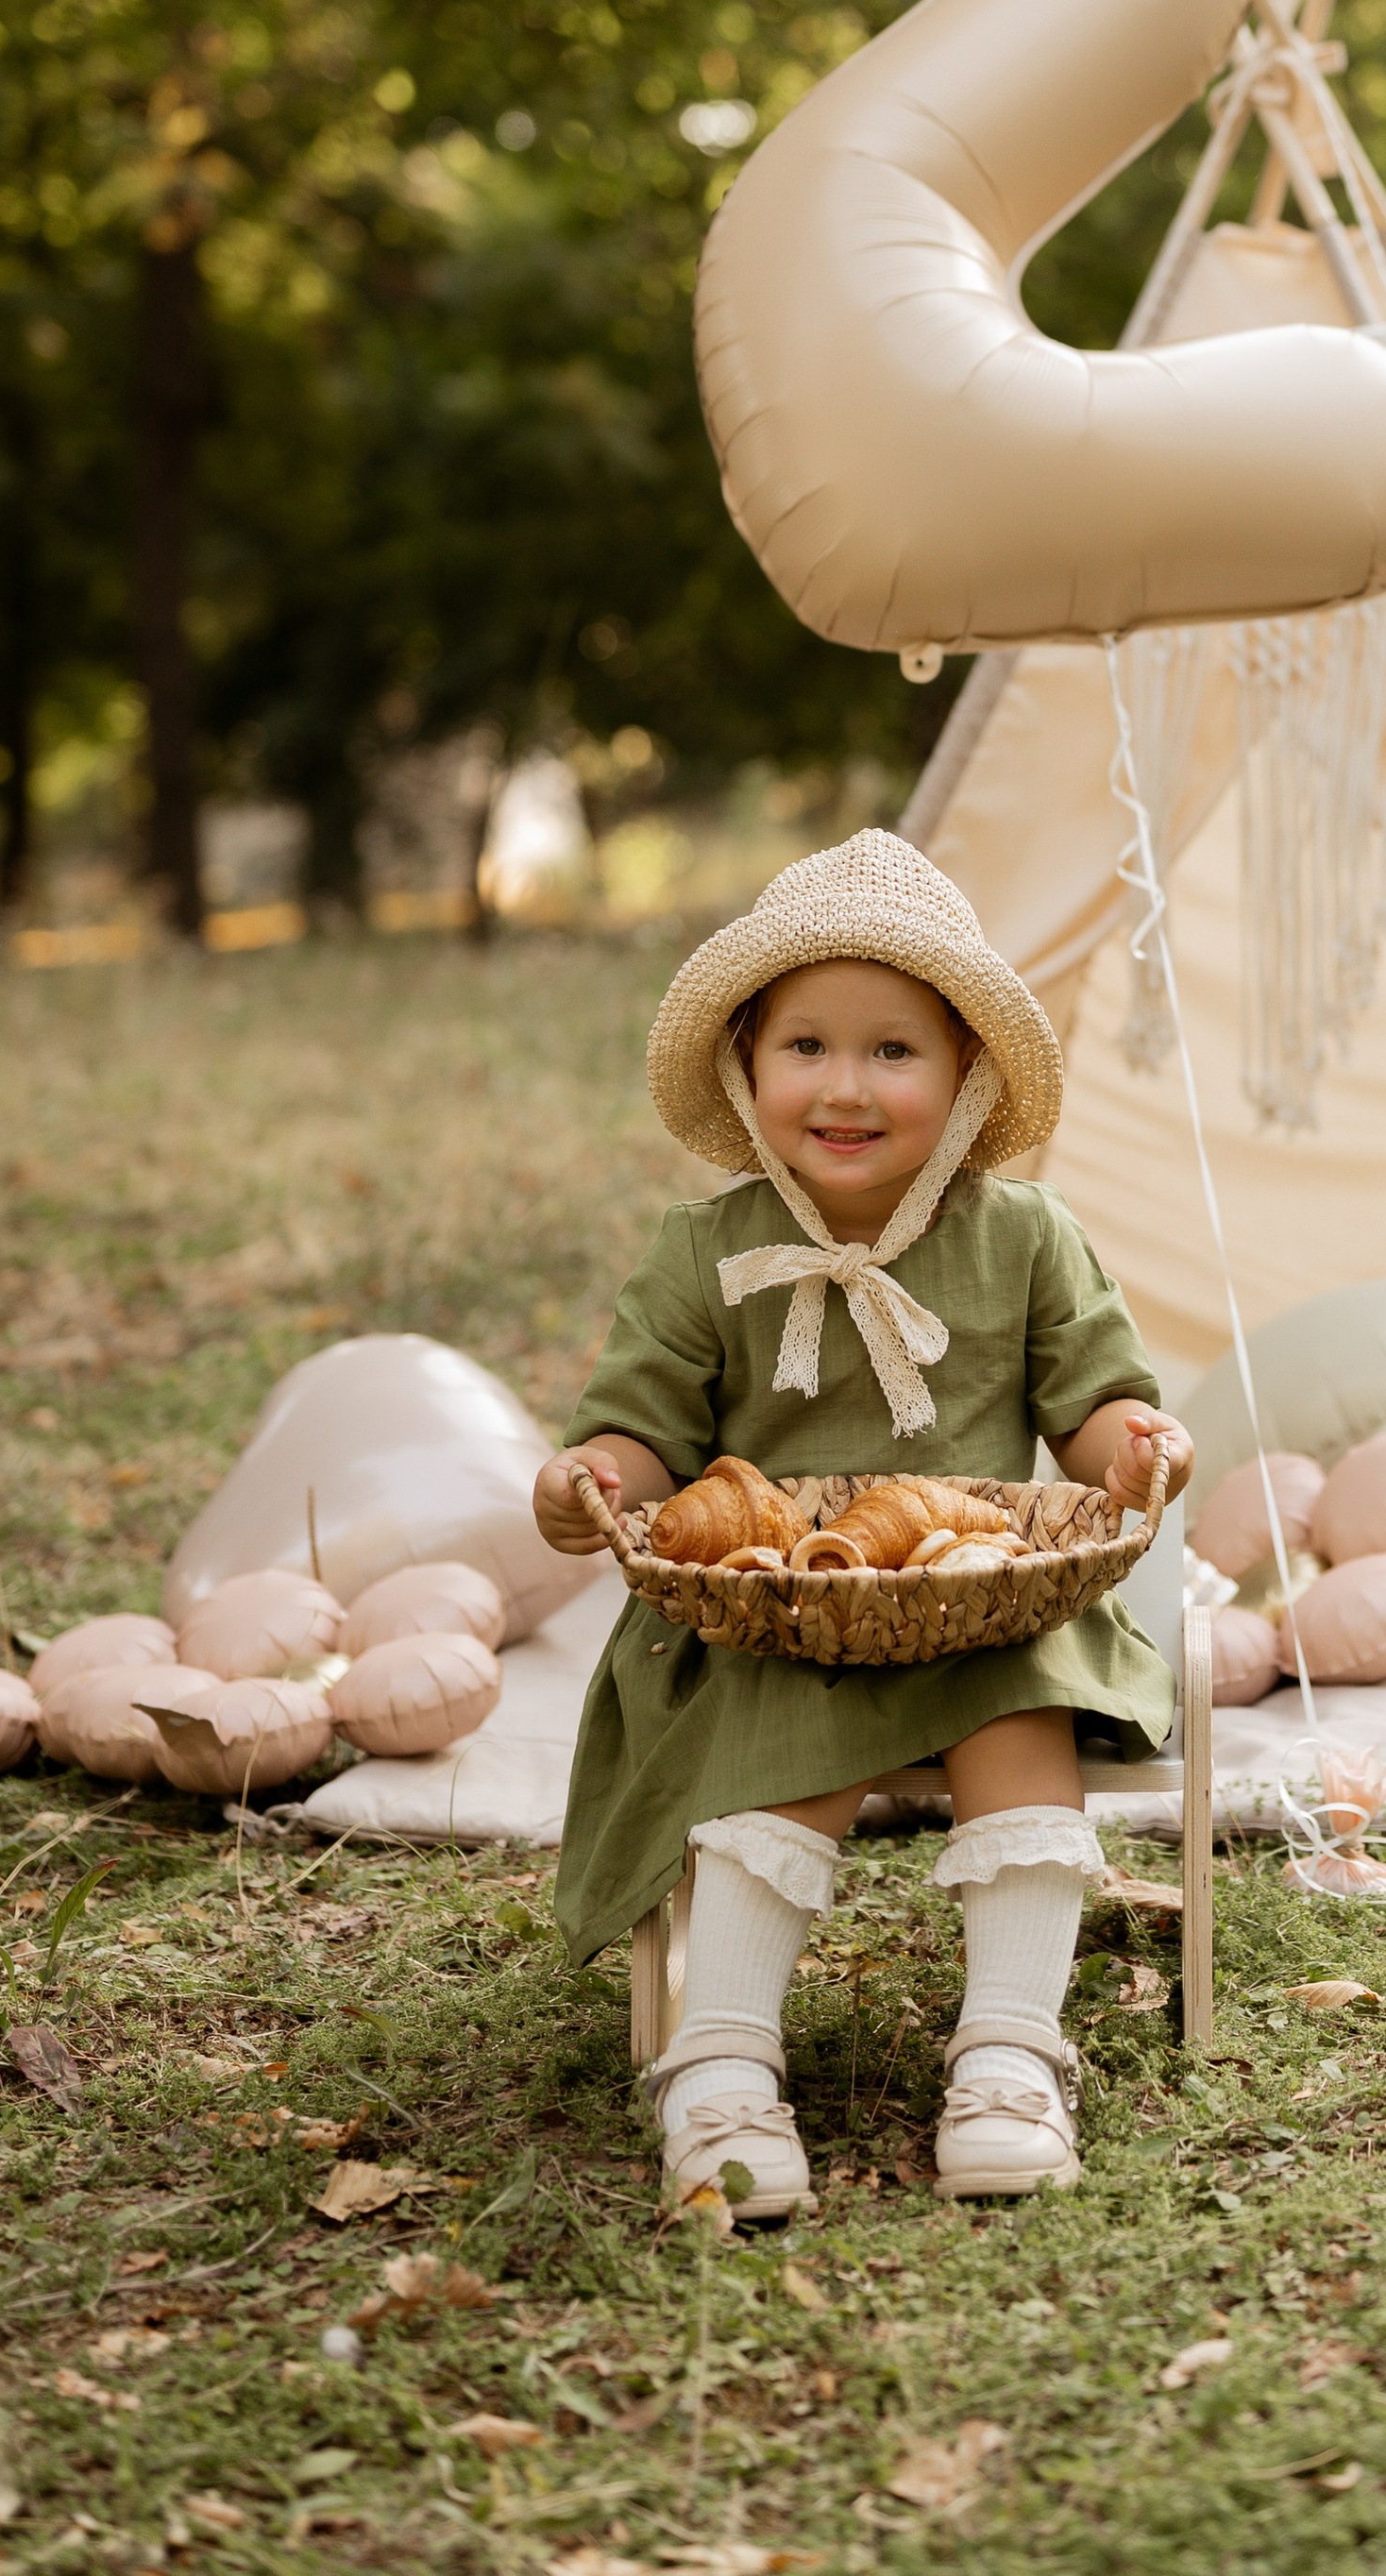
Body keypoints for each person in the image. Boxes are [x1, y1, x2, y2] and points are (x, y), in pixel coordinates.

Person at [534, 829, 1192, 2220]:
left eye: (894, 1052)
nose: (846, 1086)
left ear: (963, 1078)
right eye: (807, 1047)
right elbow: (642, 1431)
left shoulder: (1022, 1238)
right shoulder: (700, 1252)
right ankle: (720, 2062)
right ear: (746, 1067)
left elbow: (1090, 1404)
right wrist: (592, 1475)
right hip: (769, 1613)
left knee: (1018, 1709)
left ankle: (1011, 2047)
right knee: (782, 1723)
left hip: (985, 1602)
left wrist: (1133, 1445)